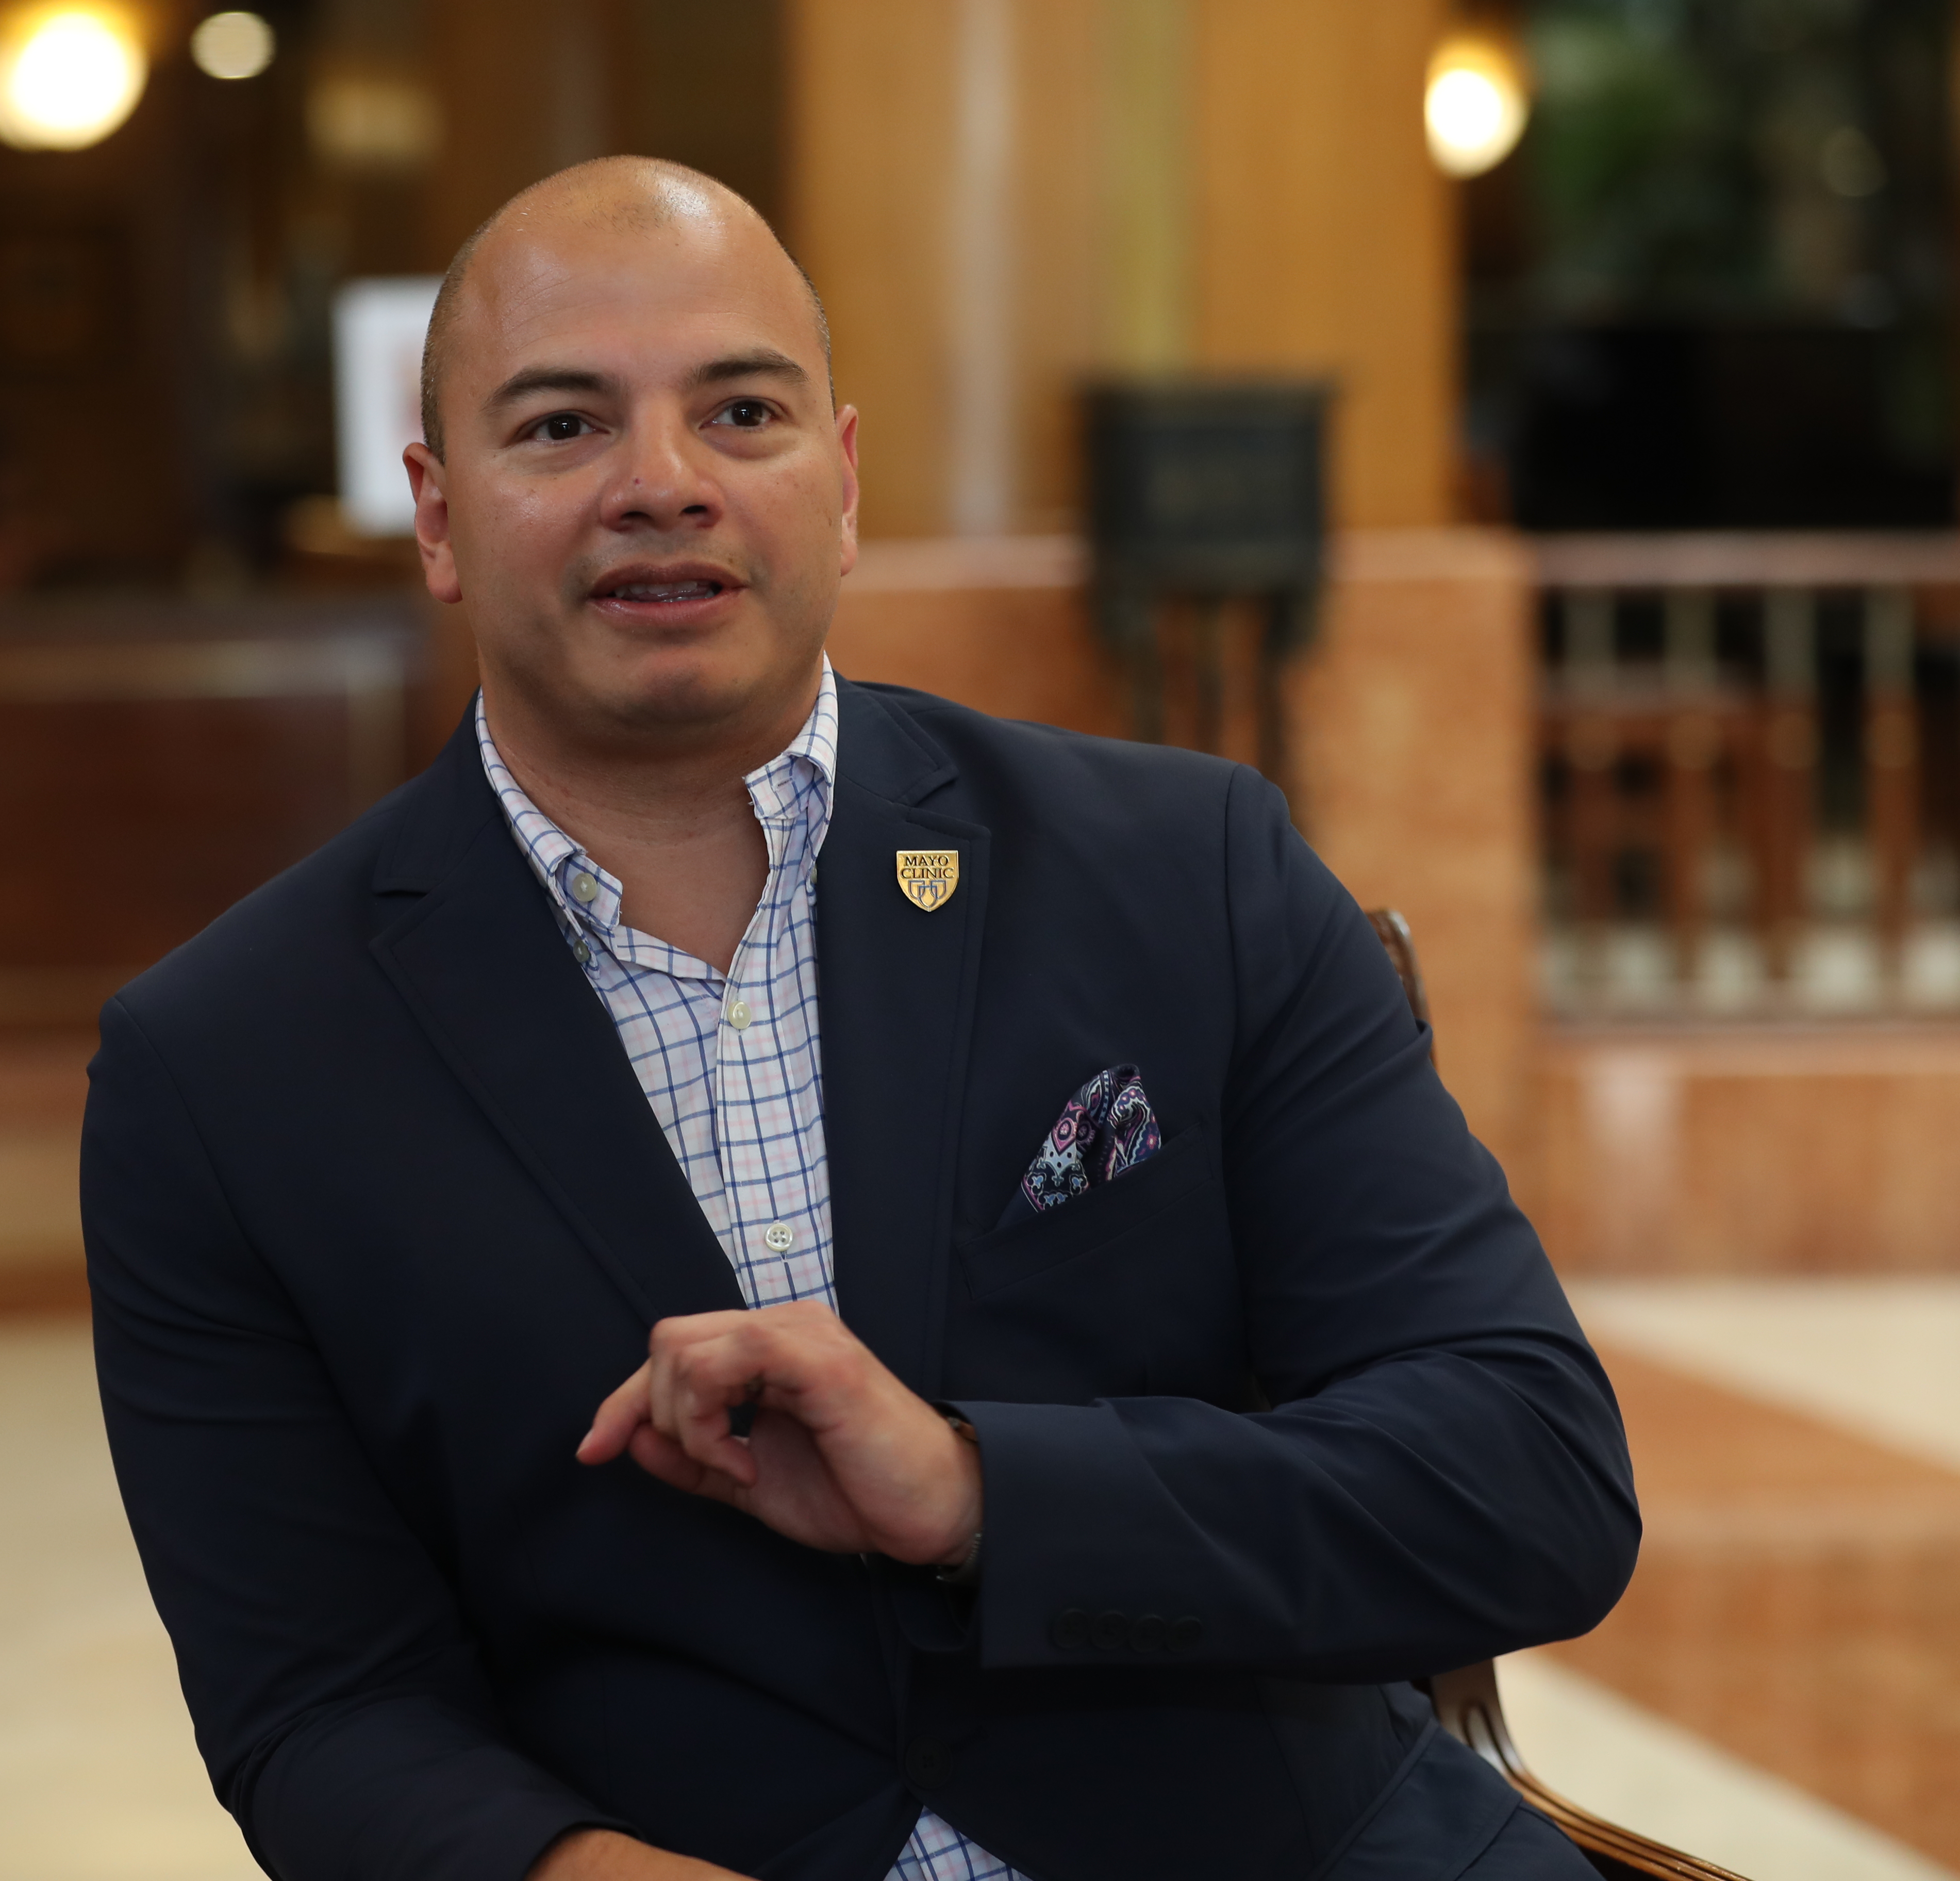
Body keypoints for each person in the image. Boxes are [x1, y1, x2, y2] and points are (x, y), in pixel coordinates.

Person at [83, 158, 1638, 1881]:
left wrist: (984, 1491)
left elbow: (1527, 1479)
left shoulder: (1186, 865)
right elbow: (318, 1704)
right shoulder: (222, 1064)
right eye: (559, 427)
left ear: (837, 483)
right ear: (437, 517)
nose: (659, 485)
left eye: (737, 409)